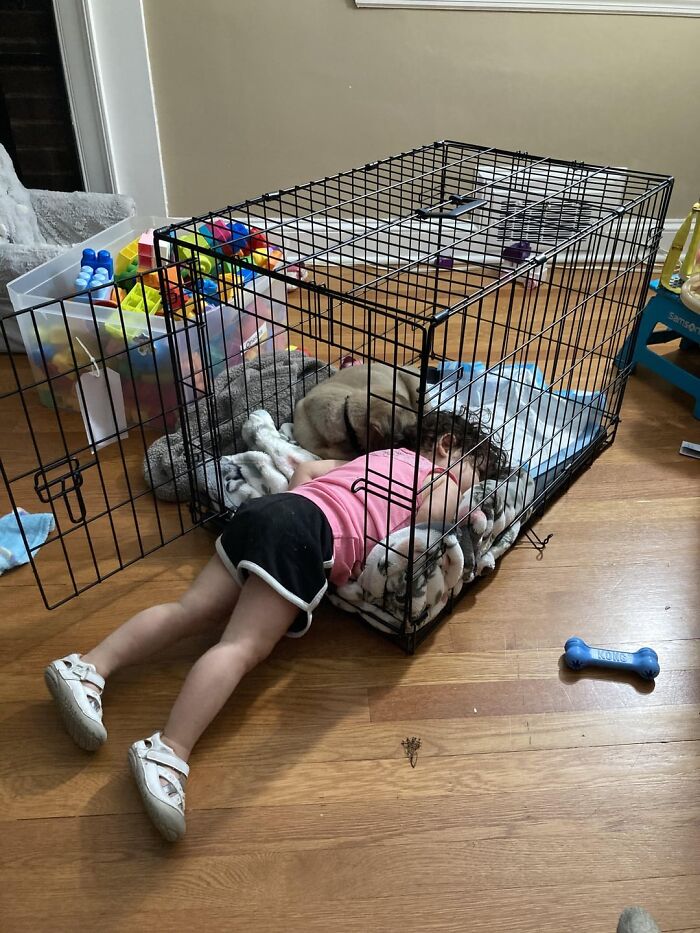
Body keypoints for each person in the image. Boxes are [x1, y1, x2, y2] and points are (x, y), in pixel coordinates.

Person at [44, 410, 499, 841]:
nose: (472, 484)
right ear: (447, 446)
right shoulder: (440, 478)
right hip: (303, 537)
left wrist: (298, 503)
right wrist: (465, 510)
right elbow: (426, 517)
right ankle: (168, 752)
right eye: (475, 471)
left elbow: (307, 471)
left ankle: (87, 667)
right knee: (241, 646)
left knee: (189, 610)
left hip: (272, 510)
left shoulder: (374, 459)